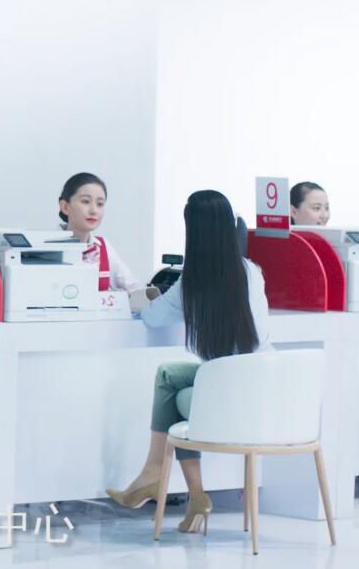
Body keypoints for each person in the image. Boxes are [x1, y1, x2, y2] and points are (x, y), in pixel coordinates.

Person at [106, 190, 271, 534]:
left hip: (228, 398)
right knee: (169, 374)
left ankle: (170, 483)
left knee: (181, 400)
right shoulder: (252, 271)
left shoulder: (190, 284)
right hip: (260, 388)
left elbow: (151, 317)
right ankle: (171, 483)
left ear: (192, 232)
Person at [57, 173, 146, 292]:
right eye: (85, 201)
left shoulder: (103, 247)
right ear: (65, 207)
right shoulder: (45, 248)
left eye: (100, 204)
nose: (94, 210)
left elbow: (134, 289)